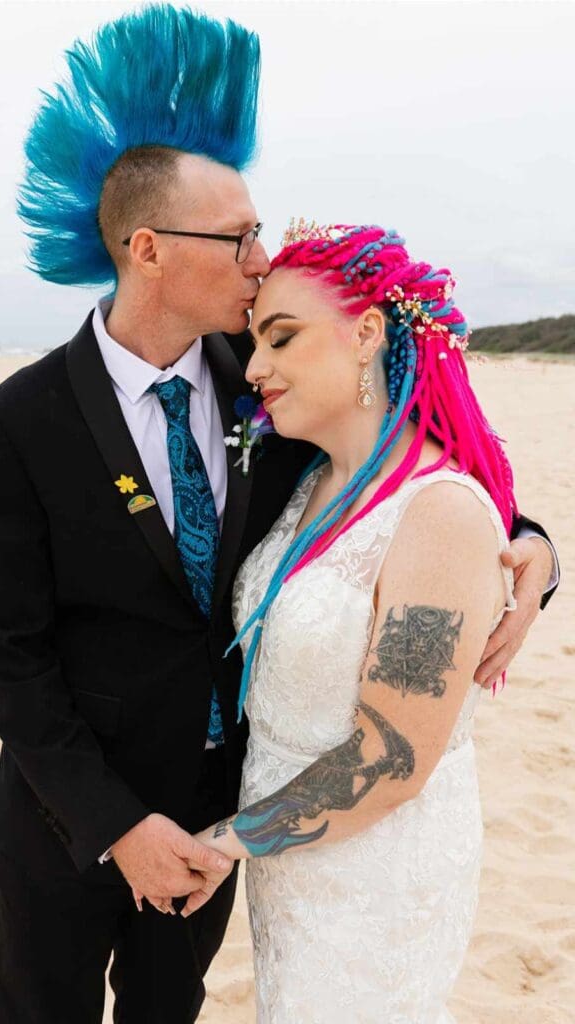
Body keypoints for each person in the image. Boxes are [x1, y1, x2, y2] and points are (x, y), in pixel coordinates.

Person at [0, 6, 557, 1023]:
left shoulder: (271, 385)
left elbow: (420, 479)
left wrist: (536, 547)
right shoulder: (19, 421)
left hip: (223, 801)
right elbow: (9, 651)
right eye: (238, 238)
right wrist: (115, 824)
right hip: (73, 817)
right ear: (147, 248)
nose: (258, 256)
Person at [186, 221, 552, 1021]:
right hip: (294, 863)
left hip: (378, 868)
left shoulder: (442, 512)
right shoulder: (312, 477)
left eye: (282, 338)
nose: (255, 367)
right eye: (253, 341)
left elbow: (393, 756)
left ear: (366, 334)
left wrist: (226, 842)